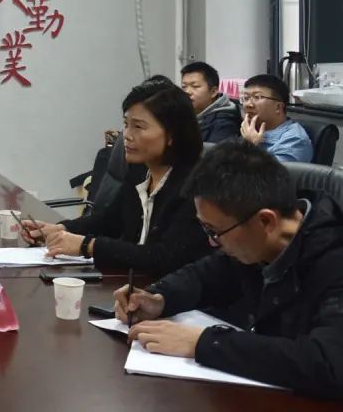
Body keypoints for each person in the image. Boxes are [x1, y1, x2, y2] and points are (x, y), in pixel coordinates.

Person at [117, 142, 343, 400]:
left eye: (215, 231)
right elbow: (208, 274)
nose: (212, 242)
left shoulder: (333, 258)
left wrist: (204, 343)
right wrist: (160, 298)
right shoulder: (259, 240)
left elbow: (329, 363)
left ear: (266, 220)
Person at [23, 79, 210, 276]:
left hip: (166, 289)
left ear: (172, 135)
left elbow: (163, 257)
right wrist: (61, 229)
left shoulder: (195, 184)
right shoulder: (140, 170)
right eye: (126, 124)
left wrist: (88, 245)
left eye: (138, 127)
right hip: (129, 282)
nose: (126, 135)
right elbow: (109, 221)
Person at [239, 74, 313, 163]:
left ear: (278, 107)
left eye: (257, 97)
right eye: (246, 98)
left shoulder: (295, 140)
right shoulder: (251, 129)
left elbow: (272, 172)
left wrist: (252, 144)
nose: (248, 104)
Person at [180, 61, 241, 143]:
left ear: (213, 92)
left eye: (195, 86)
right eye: (184, 86)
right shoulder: (182, 113)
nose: (187, 91)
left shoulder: (225, 124)